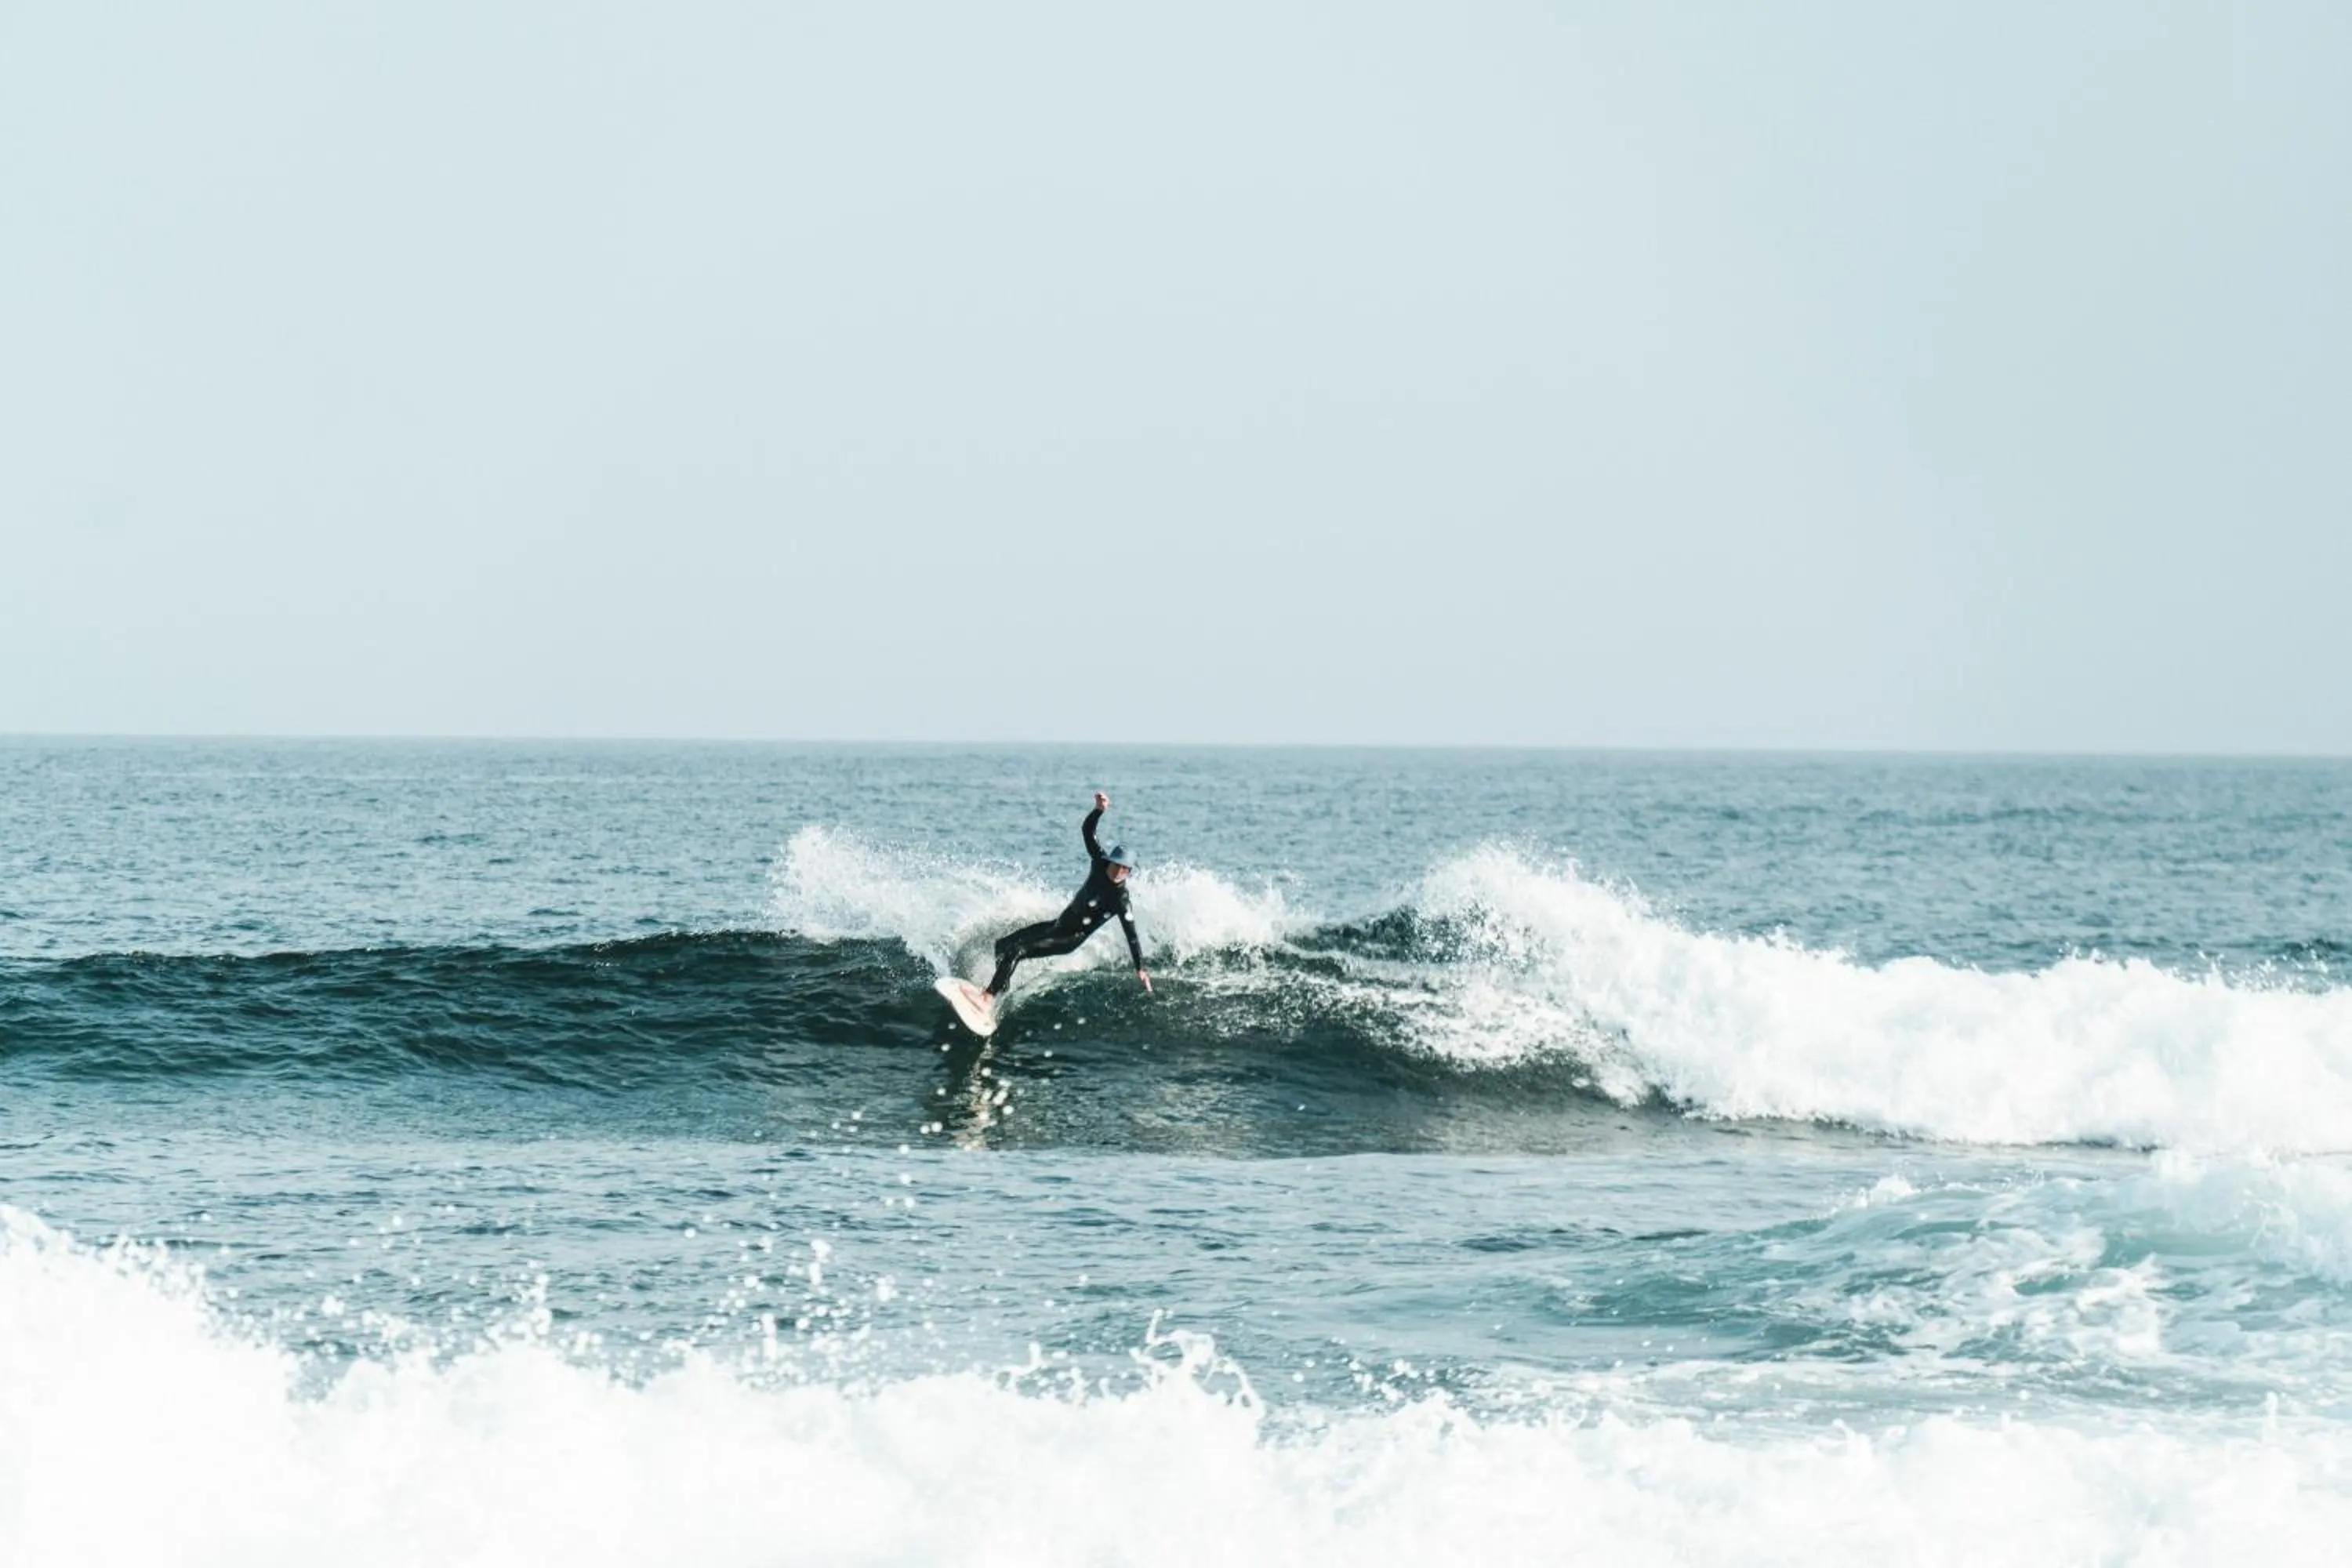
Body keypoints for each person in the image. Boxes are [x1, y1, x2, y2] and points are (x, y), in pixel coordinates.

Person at [983, 791, 1153, 1004]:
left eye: (1125, 869)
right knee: (1002, 946)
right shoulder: (1099, 862)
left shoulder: (1120, 900)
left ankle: (989, 996)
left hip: (1070, 938)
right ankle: (1002, 984)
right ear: (1110, 861)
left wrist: (1140, 969)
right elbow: (1087, 831)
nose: (1119, 871)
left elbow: (1132, 935)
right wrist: (1098, 811)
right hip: (1057, 924)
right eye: (1117, 865)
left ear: (1129, 871)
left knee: (1016, 951)